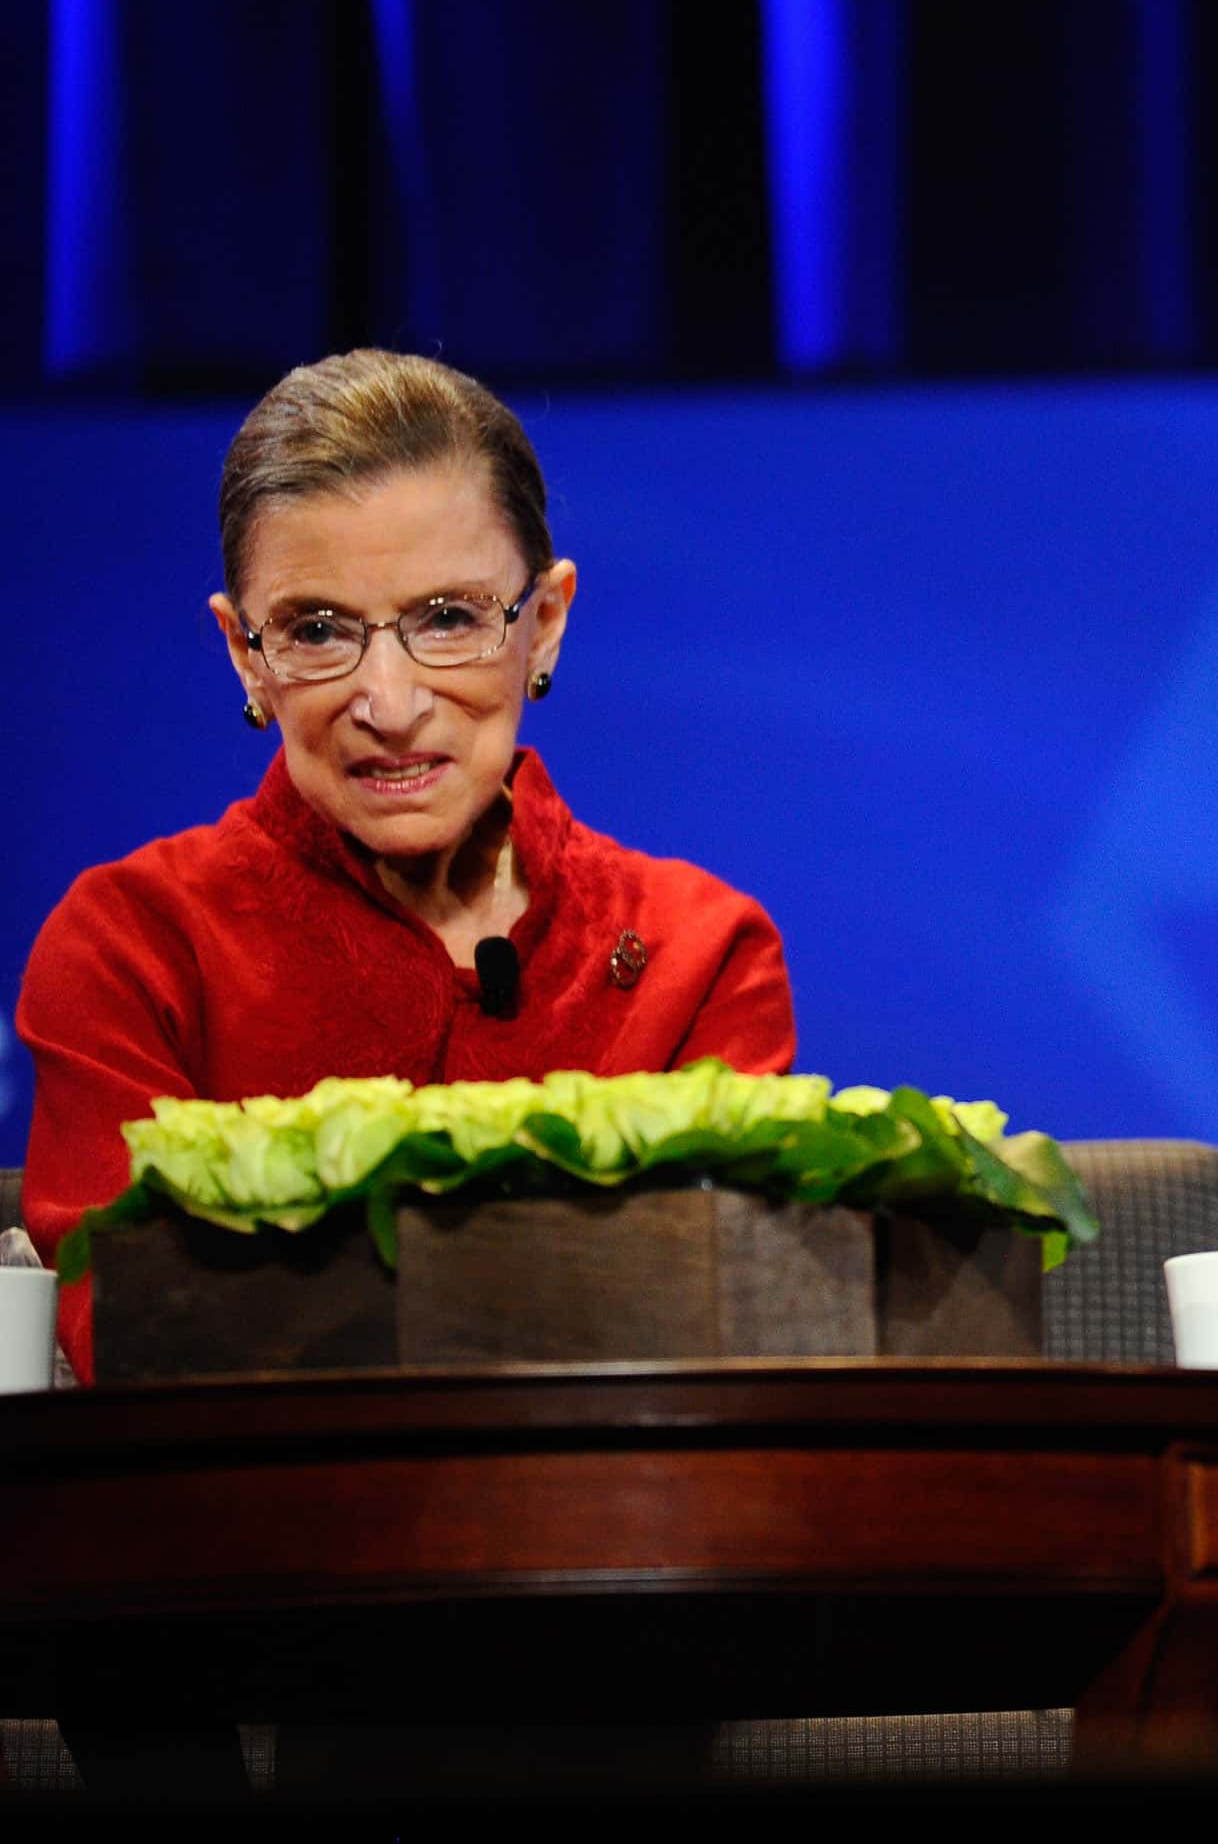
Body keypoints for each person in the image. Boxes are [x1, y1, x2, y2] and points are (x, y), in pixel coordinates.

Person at [17, 349, 795, 1383]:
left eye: (447, 618)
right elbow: (140, 1336)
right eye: (318, 629)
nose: (388, 702)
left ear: (545, 623)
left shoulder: (698, 955)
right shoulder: (135, 948)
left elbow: (725, 1335)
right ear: (246, 653)